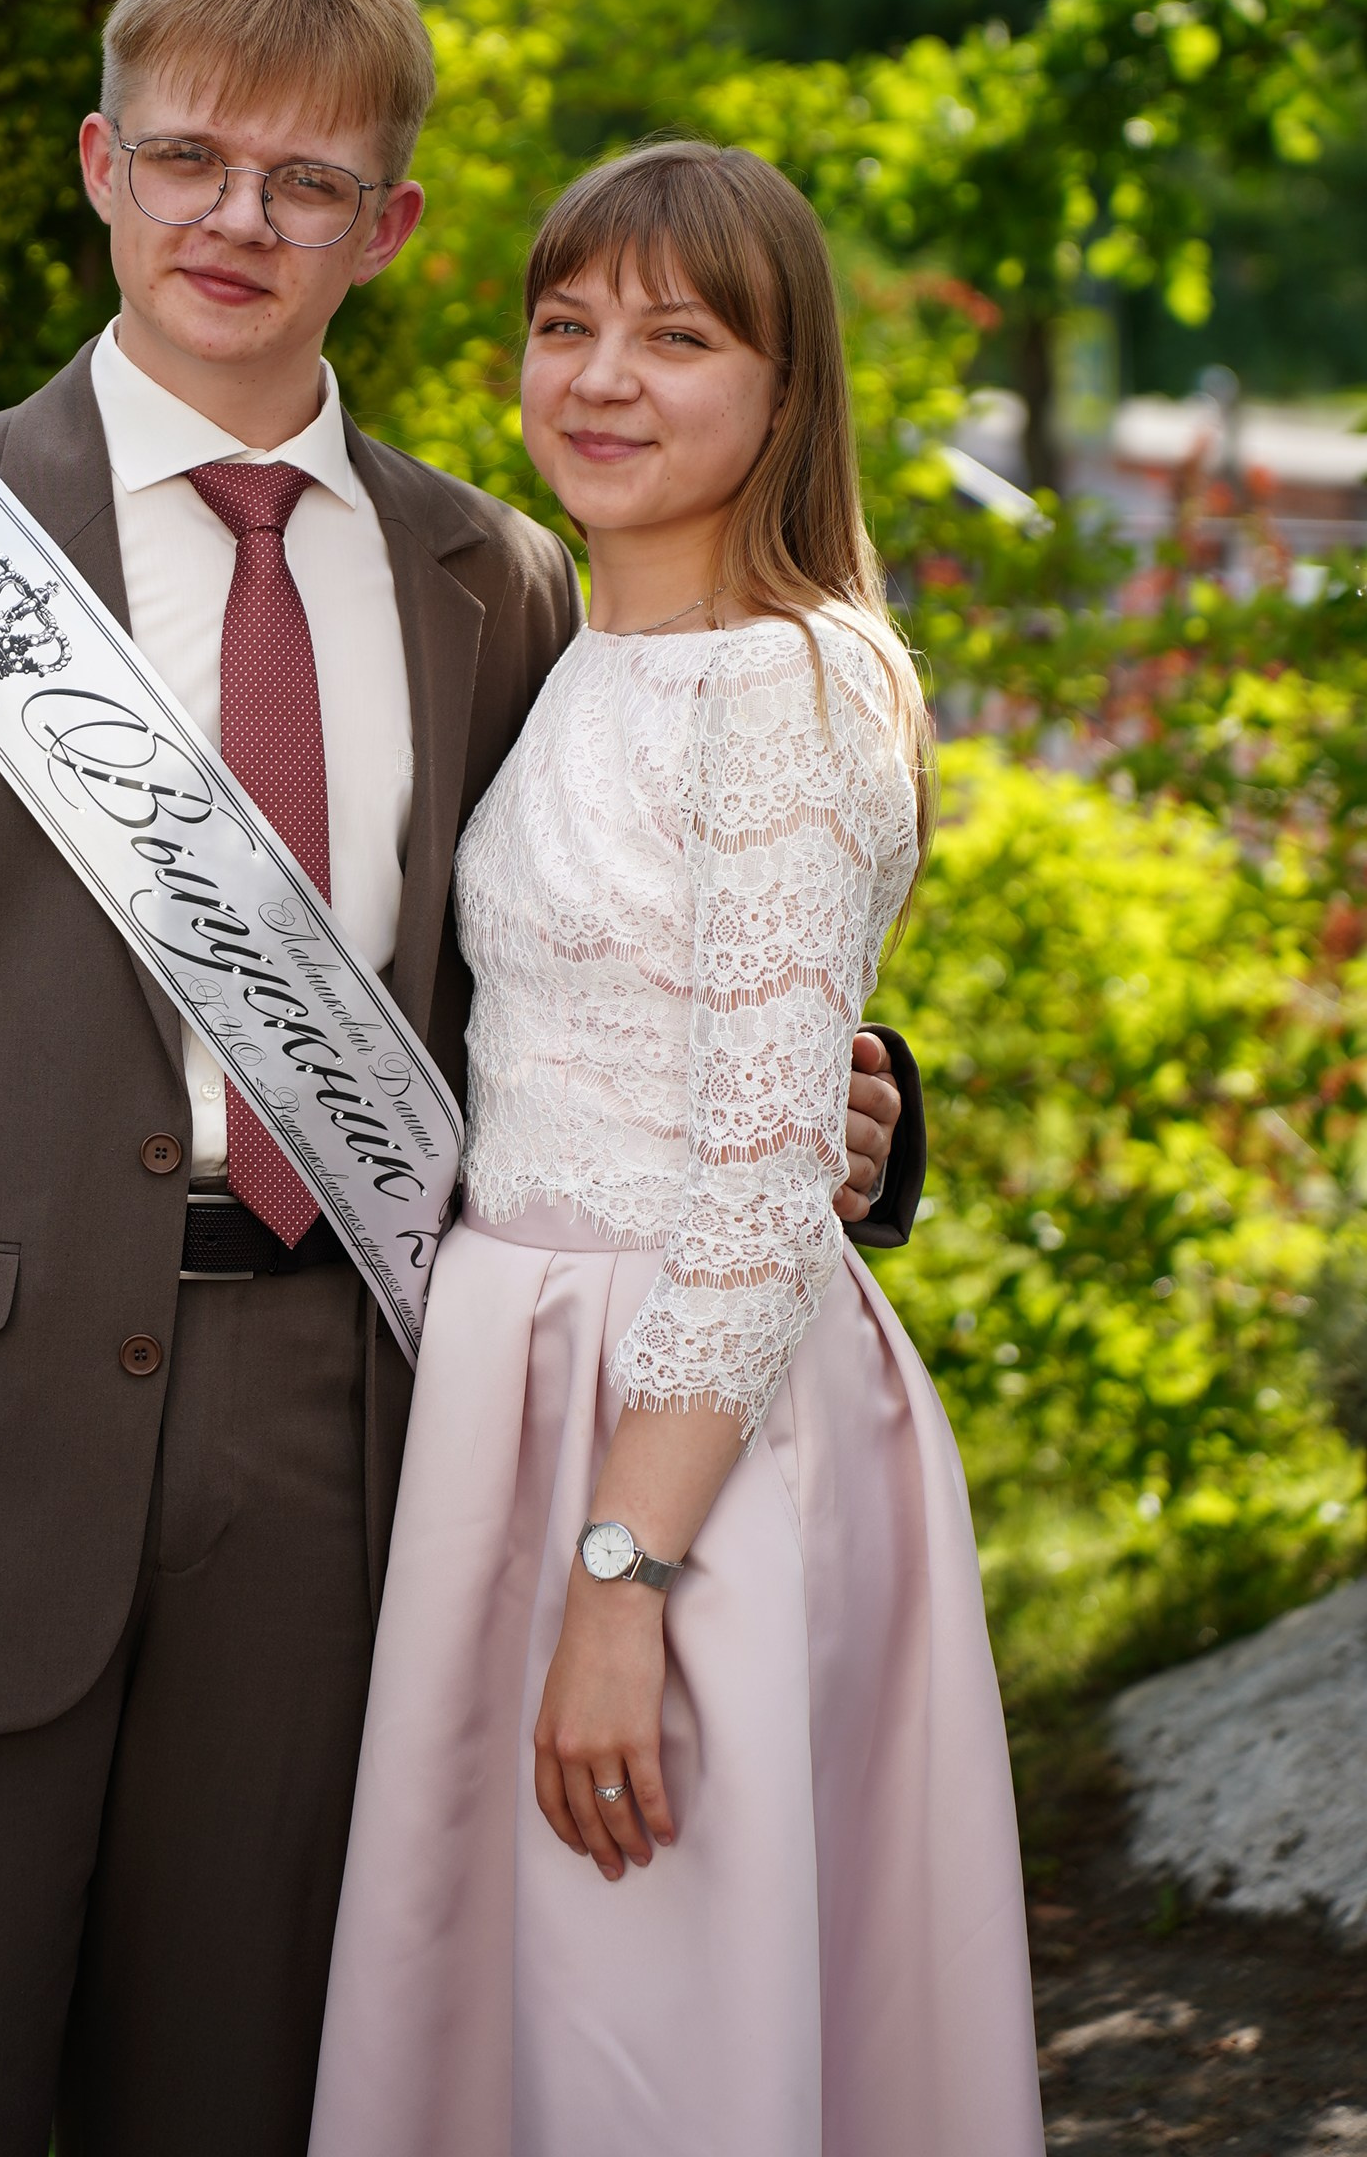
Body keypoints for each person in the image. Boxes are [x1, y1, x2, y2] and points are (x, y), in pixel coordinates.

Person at [0, 0, 912, 2157]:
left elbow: (594, 969)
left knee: (249, 2103)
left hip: (349, 1478)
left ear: (388, 225)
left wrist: (850, 1110)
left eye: (307, 182)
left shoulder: (495, 576)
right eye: (188, 160)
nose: (237, 219)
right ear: (99, 168)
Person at [311, 143, 1044, 2157]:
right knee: (515, 2007)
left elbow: (757, 1179)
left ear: (786, 388)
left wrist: (625, 1579)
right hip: (517, 1374)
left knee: (654, 2017)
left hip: (684, 1419)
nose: (602, 377)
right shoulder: (576, 649)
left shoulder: (791, 675)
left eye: (677, 337)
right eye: (564, 326)